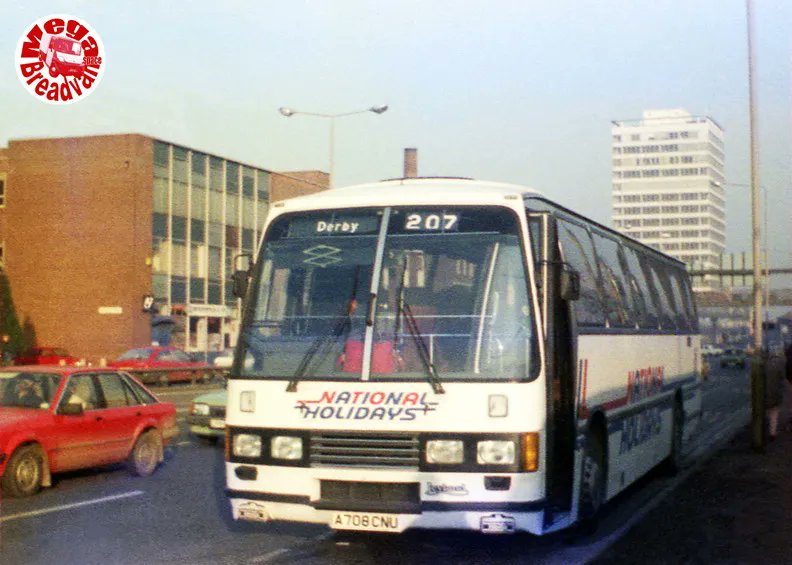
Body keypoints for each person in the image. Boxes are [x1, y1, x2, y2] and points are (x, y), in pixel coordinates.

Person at [765, 348, 786, 441]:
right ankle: (772, 433)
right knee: (774, 413)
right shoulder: (777, 366)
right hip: (775, 393)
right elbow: (782, 378)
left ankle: (761, 432)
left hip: (762, 394)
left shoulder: (760, 366)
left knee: (764, 412)